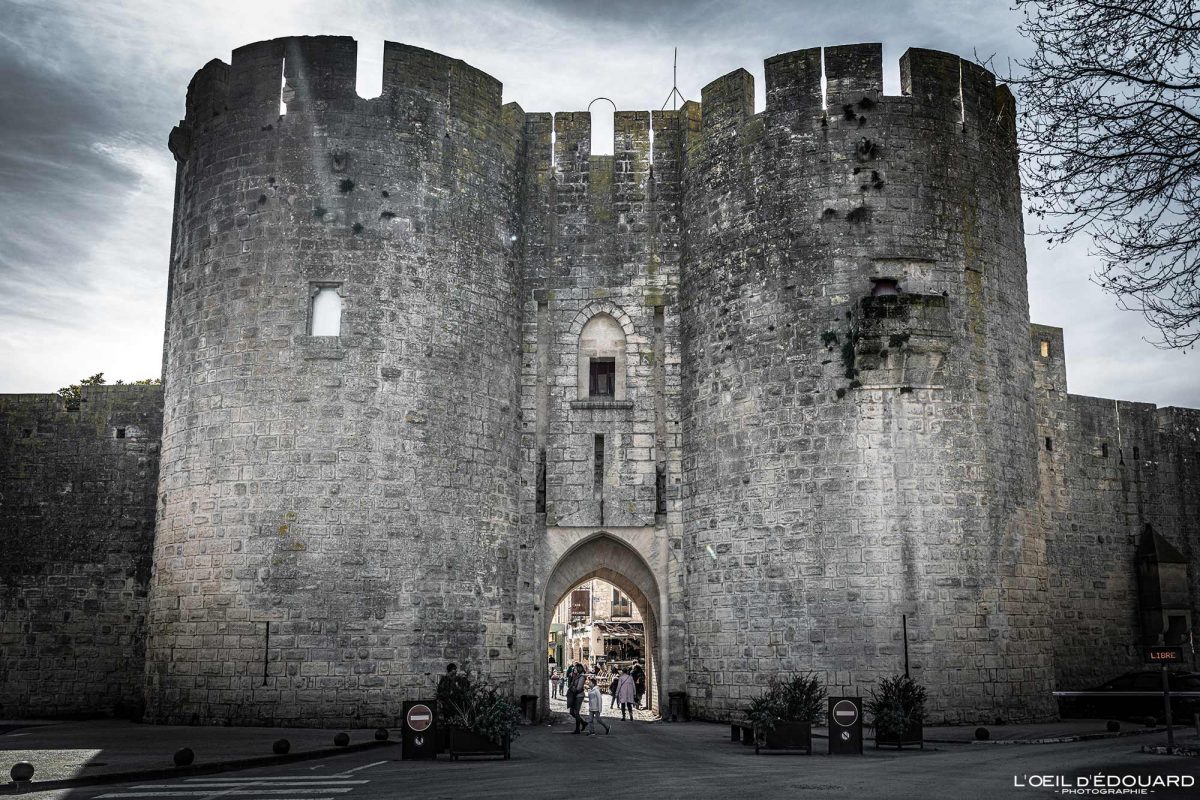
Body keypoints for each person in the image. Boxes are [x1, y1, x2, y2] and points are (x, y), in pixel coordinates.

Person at [567, 662, 587, 733]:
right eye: (574, 668)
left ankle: (577, 729)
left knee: (576, 712)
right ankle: (583, 723)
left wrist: (572, 687)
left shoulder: (582, 677)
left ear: (579, 669)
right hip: (574, 695)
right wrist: (570, 677)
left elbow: (578, 688)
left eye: (575, 668)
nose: (574, 669)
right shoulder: (575, 676)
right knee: (571, 712)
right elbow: (569, 685)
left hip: (579, 696)